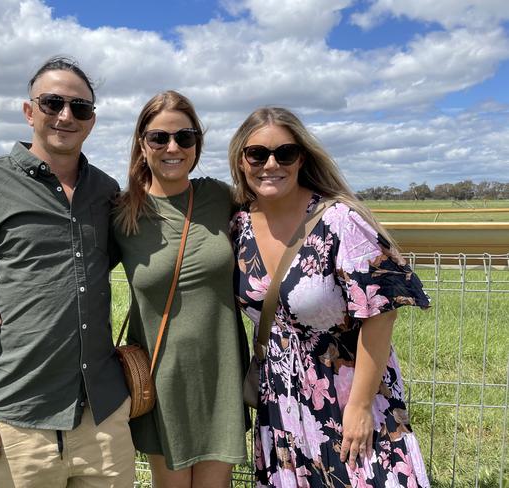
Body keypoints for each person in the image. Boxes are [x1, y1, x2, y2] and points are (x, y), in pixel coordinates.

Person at [0, 56, 134, 487]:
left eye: (80, 108)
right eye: (52, 103)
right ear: (29, 111)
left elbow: (97, 266)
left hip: (103, 415)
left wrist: (22, 295)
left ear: (92, 121)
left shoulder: (105, 191)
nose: (66, 116)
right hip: (20, 419)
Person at [228, 107, 431, 487]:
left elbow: (381, 313)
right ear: (241, 160)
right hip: (281, 404)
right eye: (257, 154)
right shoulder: (238, 225)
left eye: (284, 153)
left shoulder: (339, 220)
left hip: (348, 396)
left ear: (301, 158)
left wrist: (358, 406)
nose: (270, 164)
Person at [112, 91, 248, 487]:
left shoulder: (219, 197)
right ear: (142, 144)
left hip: (220, 375)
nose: (173, 147)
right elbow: (74, 273)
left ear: (196, 144)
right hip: (161, 380)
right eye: (159, 138)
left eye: (184, 137)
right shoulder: (123, 214)